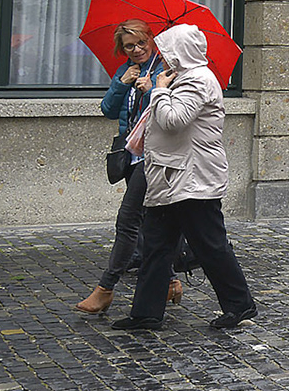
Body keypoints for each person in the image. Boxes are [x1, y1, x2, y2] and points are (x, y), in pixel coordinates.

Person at [110, 25, 258, 332]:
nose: (161, 56)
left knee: (210, 245)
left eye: (166, 50)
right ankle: (146, 313)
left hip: (193, 181)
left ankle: (240, 305)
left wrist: (158, 91)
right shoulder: (181, 78)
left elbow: (174, 120)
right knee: (157, 247)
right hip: (170, 178)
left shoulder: (198, 80)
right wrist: (159, 88)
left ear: (180, 51)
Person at [77, 21, 180, 314]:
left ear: (152, 41)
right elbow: (109, 110)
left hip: (155, 156)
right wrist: (122, 84)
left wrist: (151, 90)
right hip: (131, 157)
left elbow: (171, 113)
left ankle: (105, 288)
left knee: (127, 222)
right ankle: (171, 281)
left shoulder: (166, 70)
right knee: (148, 222)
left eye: (140, 44)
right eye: (128, 46)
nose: (135, 50)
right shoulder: (126, 70)